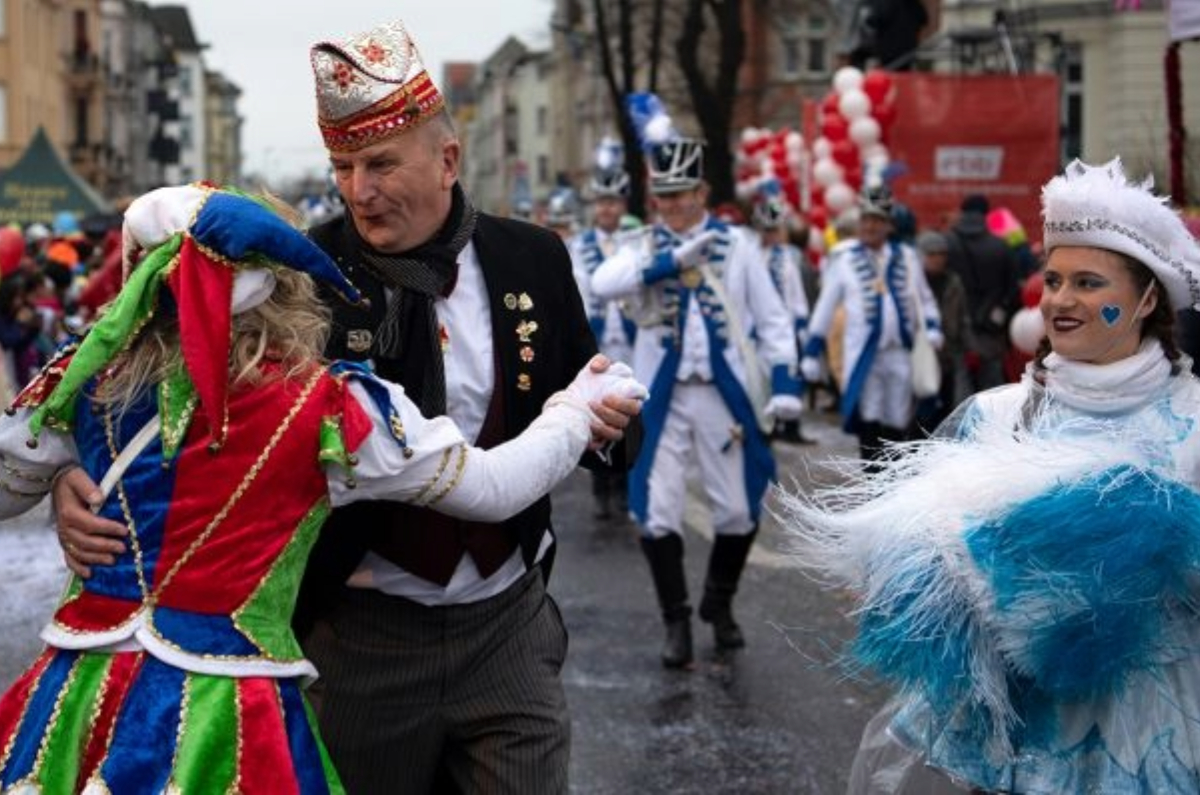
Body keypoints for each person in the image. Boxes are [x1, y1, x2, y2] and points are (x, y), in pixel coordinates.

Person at [52, 18, 643, 795]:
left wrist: (607, 428)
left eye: (380, 163)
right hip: (358, 635)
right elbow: (176, 390)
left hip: (506, 622)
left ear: (447, 159)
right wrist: (72, 474)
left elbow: (583, 394)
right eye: (343, 166)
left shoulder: (531, 256)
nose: (358, 189)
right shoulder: (300, 274)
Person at [784, 157, 1200, 794]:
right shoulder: (994, 413)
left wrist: (1140, 555)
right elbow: (910, 570)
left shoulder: (1192, 421)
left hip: (1143, 731)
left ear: (1147, 298)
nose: (1060, 299)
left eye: (1089, 283)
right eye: (1054, 279)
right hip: (1004, 736)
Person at [592, 94, 802, 669]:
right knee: (655, 512)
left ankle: (719, 602)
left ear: (702, 194)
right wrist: (666, 261)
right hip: (659, 401)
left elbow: (774, 316)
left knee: (737, 510)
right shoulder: (644, 248)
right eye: (664, 198)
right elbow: (605, 282)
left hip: (722, 396)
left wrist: (785, 380)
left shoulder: (737, 248)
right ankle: (676, 621)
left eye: (683, 196)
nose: (674, 207)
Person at [801, 185, 943, 464]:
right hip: (864, 355)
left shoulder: (907, 257)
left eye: (877, 220)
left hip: (900, 352)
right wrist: (811, 348)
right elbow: (825, 306)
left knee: (898, 416)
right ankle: (873, 477)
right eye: (865, 219)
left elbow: (925, 299)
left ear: (888, 226)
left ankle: (890, 479)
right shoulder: (844, 260)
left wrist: (933, 326)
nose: (869, 226)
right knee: (868, 415)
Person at [569, 154, 640, 520]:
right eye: (602, 202)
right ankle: (602, 485)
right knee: (597, 416)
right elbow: (575, 291)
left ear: (622, 205)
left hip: (630, 341)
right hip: (597, 343)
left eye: (613, 202)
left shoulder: (635, 242)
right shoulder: (580, 246)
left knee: (630, 414)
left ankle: (627, 484)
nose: (607, 209)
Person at [751, 192, 812, 444]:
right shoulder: (751, 256)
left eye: (775, 229)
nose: (771, 235)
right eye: (766, 230)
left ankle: (789, 424)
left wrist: (801, 324)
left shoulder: (790, 257)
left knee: (789, 374)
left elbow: (796, 294)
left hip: (785, 329)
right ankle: (764, 426)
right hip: (756, 333)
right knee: (760, 381)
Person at [946, 193, 1021, 394]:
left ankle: (961, 422)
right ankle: (990, 423)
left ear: (963, 212)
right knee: (992, 381)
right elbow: (1013, 288)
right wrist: (999, 314)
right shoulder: (1001, 246)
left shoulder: (948, 242)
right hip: (990, 325)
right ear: (985, 214)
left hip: (957, 322)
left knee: (961, 377)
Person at [914, 230, 969, 431]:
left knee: (944, 408)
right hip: (920, 355)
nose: (937, 259)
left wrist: (966, 345)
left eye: (941, 254)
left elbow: (962, 316)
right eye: (931, 254)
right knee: (919, 410)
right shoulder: (913, 283)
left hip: (947, 355)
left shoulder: (953, 281)